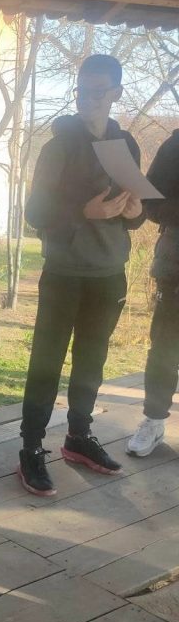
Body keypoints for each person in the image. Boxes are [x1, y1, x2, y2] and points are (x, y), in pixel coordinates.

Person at [18, 53, 144, 497]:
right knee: (46, 363)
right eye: (81, 91)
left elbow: (134, 215)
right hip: (65, 272)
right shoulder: (58, 147)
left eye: (97, 92)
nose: (87, 99)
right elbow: (35, 213)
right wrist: (82, 212)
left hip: (109, 272)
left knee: (91, 362)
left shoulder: (126, 145)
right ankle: (31, 447)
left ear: (116, 94)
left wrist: (135, 211)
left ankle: (78, 437)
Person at [126, 132, 179, 456]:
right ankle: (154, 421)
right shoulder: (175, 146)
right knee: (165, 351)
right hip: (176, 269)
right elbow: (150, 203)